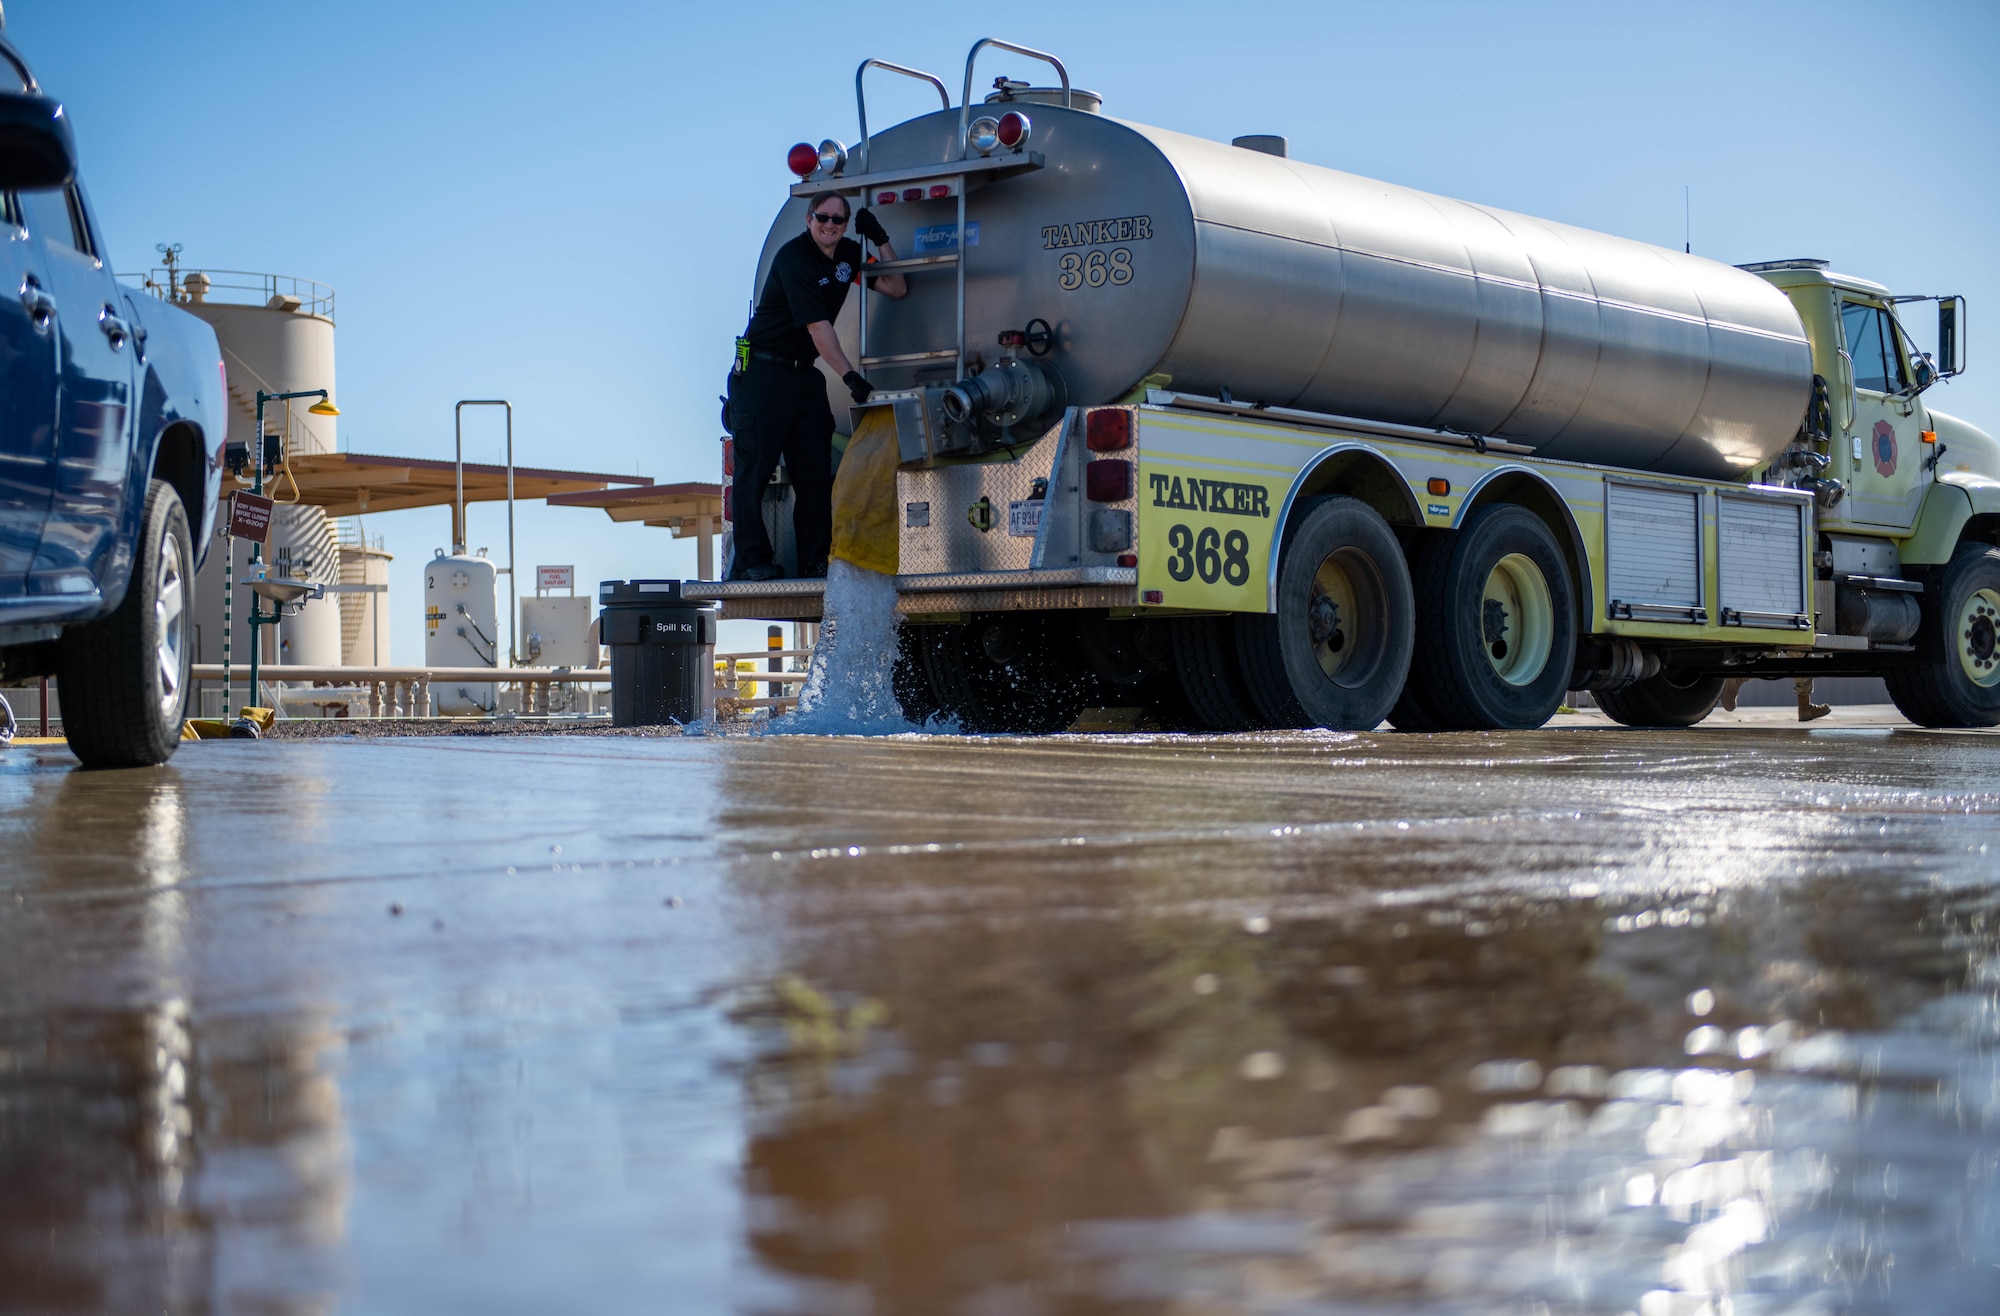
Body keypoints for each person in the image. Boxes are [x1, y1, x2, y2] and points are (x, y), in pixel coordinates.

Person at [728, 190, 906, 580]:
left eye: (838, 220)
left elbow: (896, 286)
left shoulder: (847, 255)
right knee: (754, 471)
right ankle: (752, 561)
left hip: (803, 373)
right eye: (822, 218)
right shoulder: (794, 258)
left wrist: (880, 238)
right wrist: (848, 375)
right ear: (809, 219)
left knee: (813, 472)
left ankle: (815, 560)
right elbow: (817, 327)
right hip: (763, 372)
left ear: (845, 224)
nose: (829, 226)